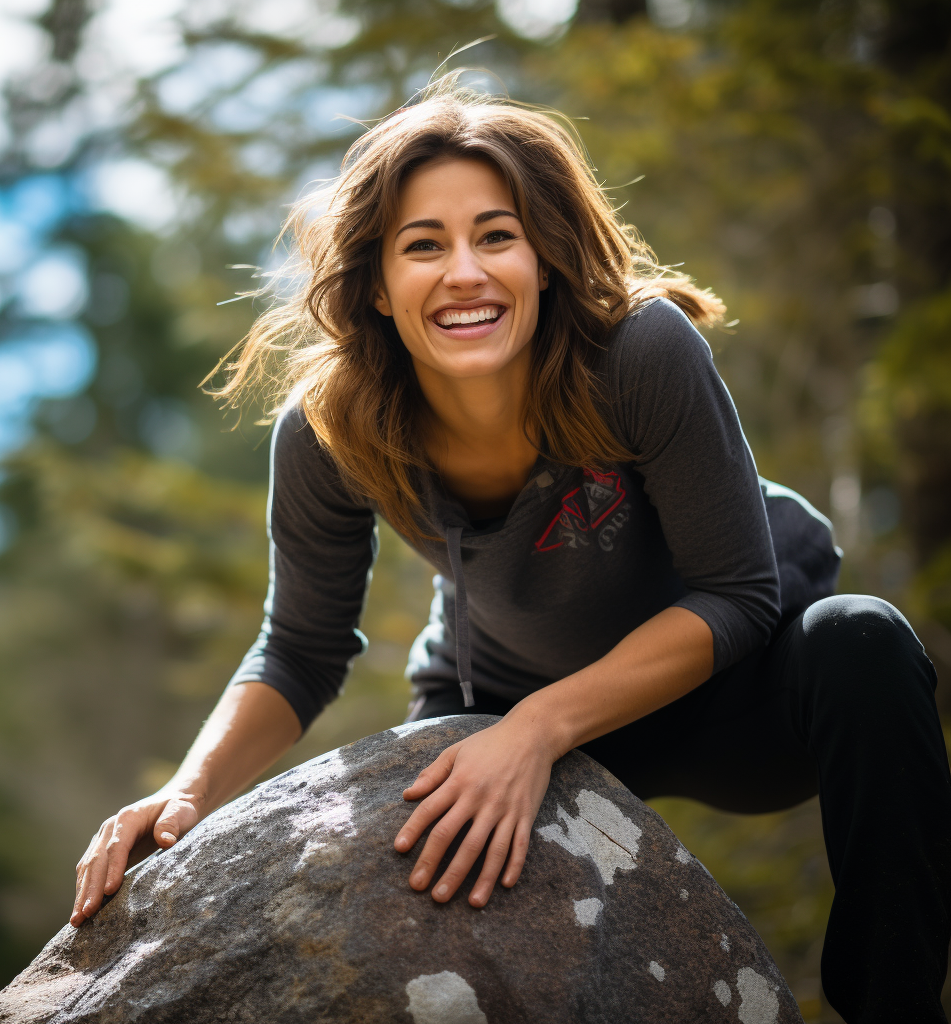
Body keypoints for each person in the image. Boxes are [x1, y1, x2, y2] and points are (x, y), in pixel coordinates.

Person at [71, 81, 951, 1023]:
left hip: (733, 695)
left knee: (863, 639)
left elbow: (736, 595)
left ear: (545, 259)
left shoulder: (640, 351)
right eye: (423, 245)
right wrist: (185, 792)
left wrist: (538, 728)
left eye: (496, 236)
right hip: (492, 701)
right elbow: (300, 649)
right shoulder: (332, 427)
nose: (464, 273)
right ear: (375, 281)